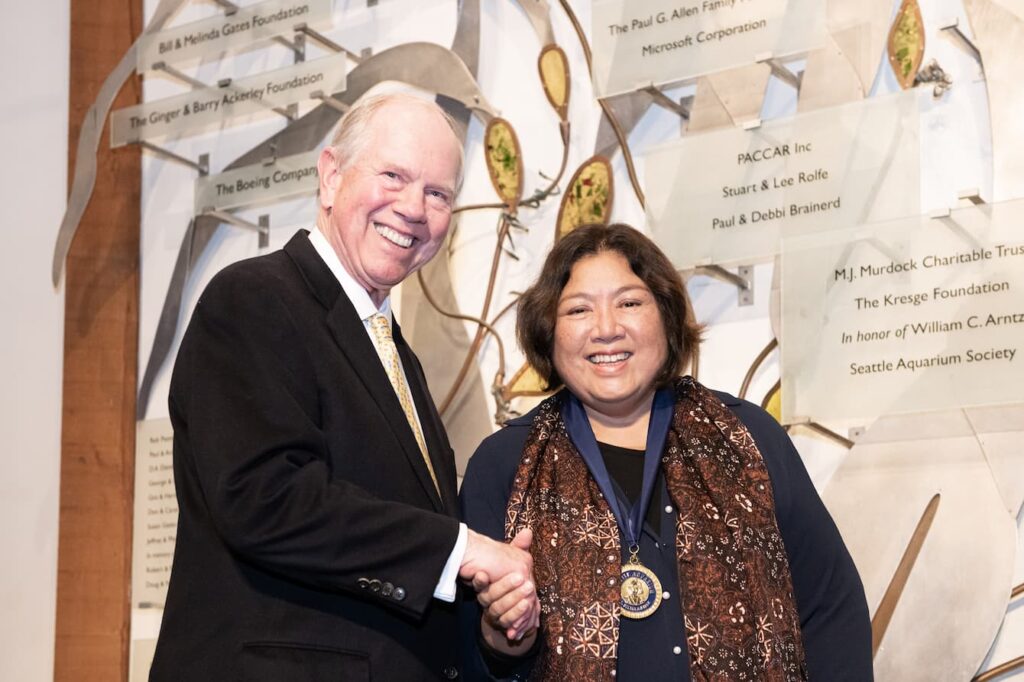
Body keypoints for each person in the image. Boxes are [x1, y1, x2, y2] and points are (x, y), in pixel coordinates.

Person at [150, 93, 539, 681]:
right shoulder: (253, 299)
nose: (413, 207)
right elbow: (267, 500)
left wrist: (494, 622)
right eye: (393, 176)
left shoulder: (396, 355)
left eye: (438, 194)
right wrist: (461, 549)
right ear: (330, 176)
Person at [460, 224, 873, 681]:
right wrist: (503, 635)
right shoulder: (504, 465)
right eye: (578, 310)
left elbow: (830, 607)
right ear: (548, 332)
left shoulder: (747, 437)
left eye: (630, 303)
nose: (606, 329)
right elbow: (468, 656)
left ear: (666, 316)